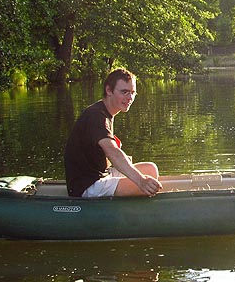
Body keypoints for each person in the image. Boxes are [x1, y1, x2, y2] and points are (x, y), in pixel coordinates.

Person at [64, 68, 163, 198]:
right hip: (87, 186)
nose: (130, 98)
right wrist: (140, 181)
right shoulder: (96, 116)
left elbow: (102, 155)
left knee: (151, 169)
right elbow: (112, 151)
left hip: (101, 174)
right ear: (109, 90)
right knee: (145, 185)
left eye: (133, 92)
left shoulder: (106, 112)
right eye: (124, 92)